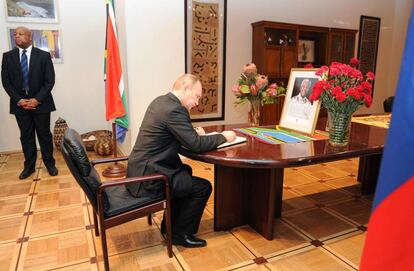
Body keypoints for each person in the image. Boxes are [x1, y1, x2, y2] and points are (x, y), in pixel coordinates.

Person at [126, 74, 236, 248]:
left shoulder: (161, 101)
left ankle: (168, 226)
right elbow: (196, 145)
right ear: (186, 89)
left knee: (185, 172)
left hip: (139, 170)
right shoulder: (175, 110)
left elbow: (175, 136)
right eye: (197, 96)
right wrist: (223, 136)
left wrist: (194, 135)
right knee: (202, 187)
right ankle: (180, 234)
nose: (198, 102)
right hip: (148, 179)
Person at [1, 26, 58, 179]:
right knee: (26, 136)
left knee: (44, 135)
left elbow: (49, 80)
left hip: (42, 103)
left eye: (21, 34)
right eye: (15, 34)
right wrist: (19, 100)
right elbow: (6, 82)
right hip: (20, 105)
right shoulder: (7, 57)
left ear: (30, 37)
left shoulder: (43, 56)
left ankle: (50, 164)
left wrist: (37, 99)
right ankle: (29, 167)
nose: (17, 36)